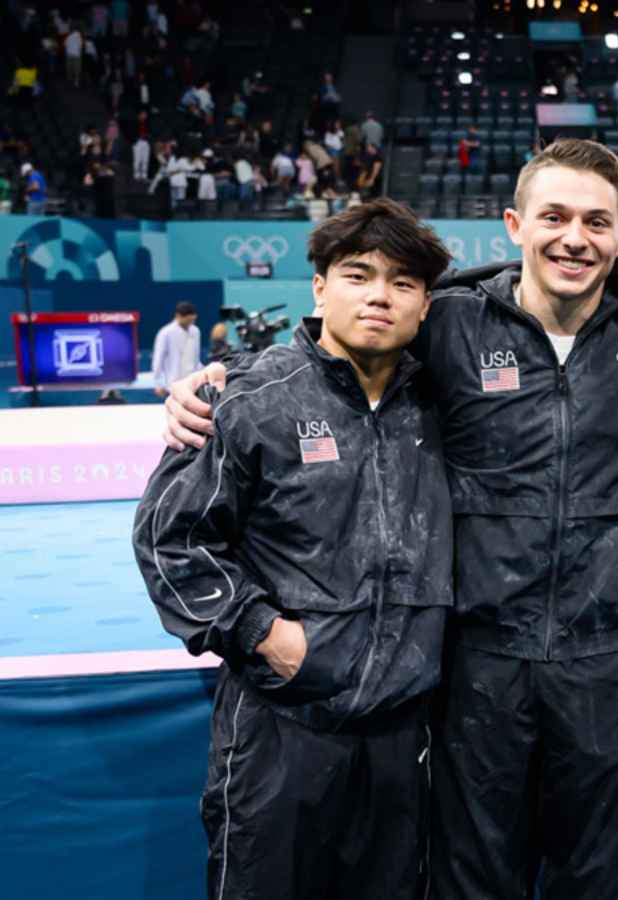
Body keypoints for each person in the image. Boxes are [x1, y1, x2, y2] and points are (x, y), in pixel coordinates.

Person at [164, 142, 618, 900]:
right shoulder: (454, 327)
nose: (575, 237)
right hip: (478, 667)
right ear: (514, 224)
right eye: (555, 216)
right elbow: (339, 352)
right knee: (472, 880)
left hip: (602, 663)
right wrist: (224, 380)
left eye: (597, 222)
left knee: (600, 880)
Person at [131, 198, 456, 900]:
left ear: (428, 304)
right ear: (318, 287)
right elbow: (171, 539)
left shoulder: (446, 404)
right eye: (358, 274)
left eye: (403, 283)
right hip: (281, 731)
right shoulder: (251, 397)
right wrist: (265, 635)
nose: (378, 295)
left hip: (404, 738)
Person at [150, 301, 201, 397]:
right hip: (173, 383)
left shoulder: (195, 331)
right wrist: (158, 383)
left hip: (192, 383)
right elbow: (158, 359)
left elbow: (196, 359)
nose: (190, 323)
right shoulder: (166, 333)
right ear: (178, 316)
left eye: (192, 320)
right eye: (188, 320)